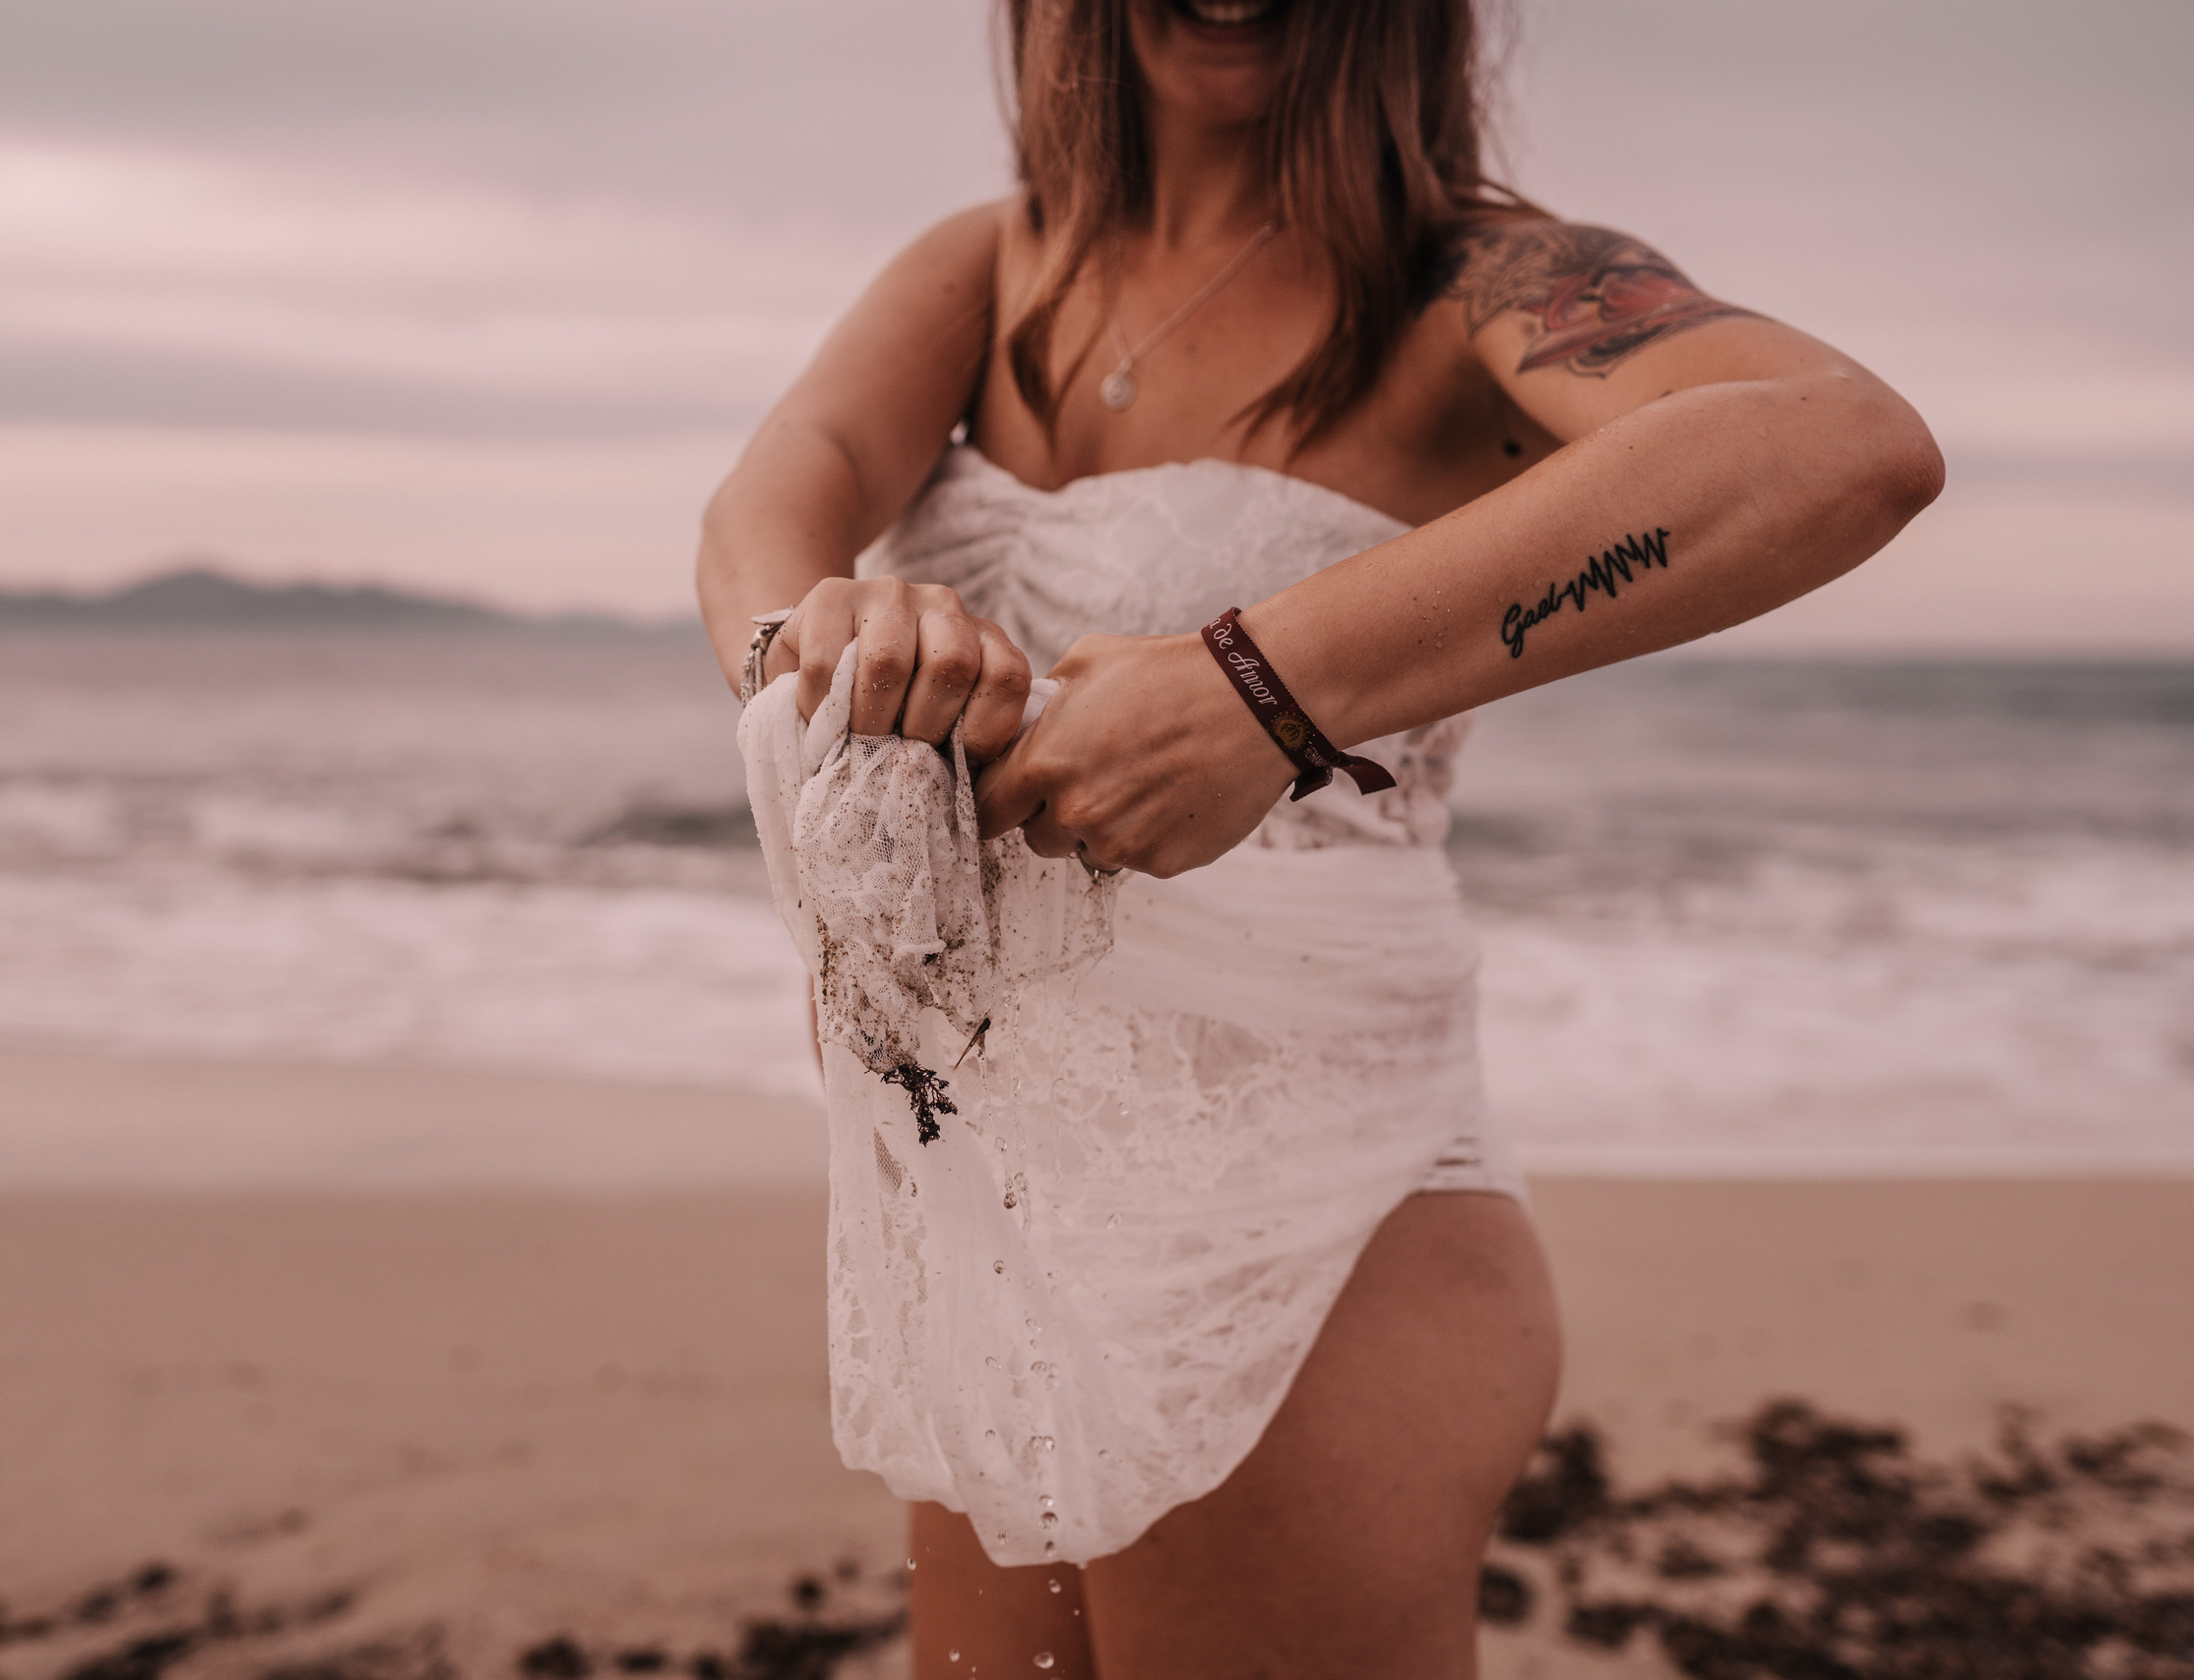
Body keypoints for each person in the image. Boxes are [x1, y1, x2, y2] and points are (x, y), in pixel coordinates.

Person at [696, 0, 1943, 1674]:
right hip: (986, 1218)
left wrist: (1261, 690)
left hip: (1312, 1235)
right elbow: (777, 496)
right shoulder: (991, 272)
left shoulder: (1476, 284)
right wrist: (827, 650)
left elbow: (1841, 445)